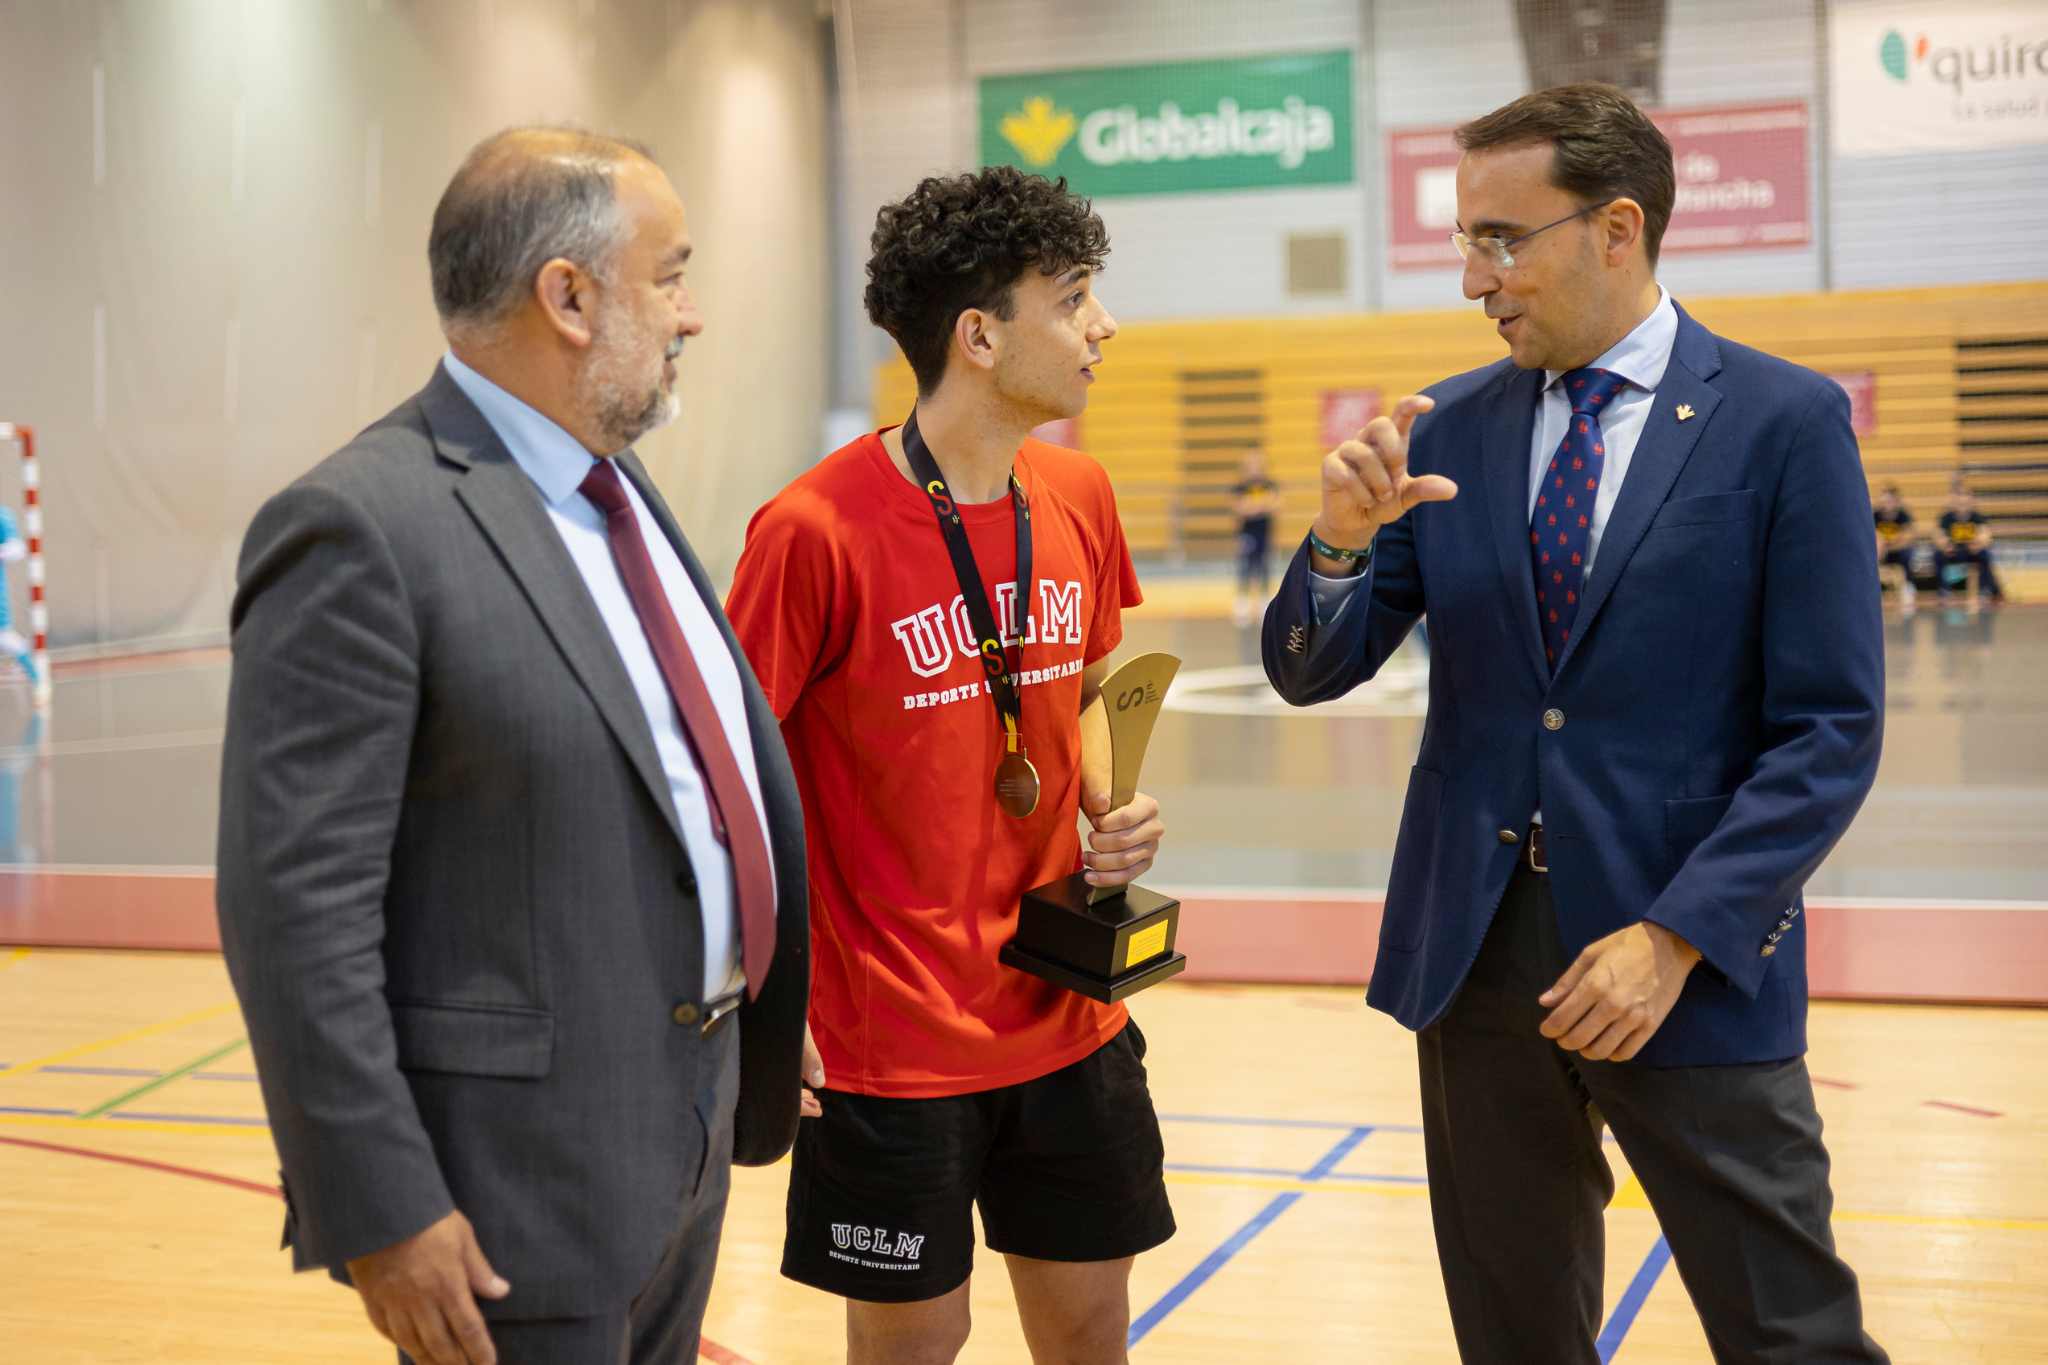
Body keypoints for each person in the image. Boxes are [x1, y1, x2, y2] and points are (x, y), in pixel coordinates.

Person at [1261, 85, 1888, 1363]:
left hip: (1685, 957)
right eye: (1460, 242)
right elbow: (1307, 675)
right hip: (1476, 956)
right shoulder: (1448, 426)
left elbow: (1828, 729)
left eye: (1500, 239)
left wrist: (1670, 939)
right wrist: (1334, 547)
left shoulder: (1780, 422)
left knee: (1789, 1335)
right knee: (1512, 1333)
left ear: (1615, 229)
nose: (1471, 279)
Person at [216, 128, 814, 1365]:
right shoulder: (360, 527)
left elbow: (670, 781)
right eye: (672, 275)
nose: (691, 315)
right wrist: (381, 1203)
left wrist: (747, 973)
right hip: (509, 1193)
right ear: (570, 298)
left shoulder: (620, 489)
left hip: (682, 1128)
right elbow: (295, 912)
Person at [724, 166, 1172, 1365]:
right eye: (1073, 297)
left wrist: (1108, 805)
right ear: (977, 336)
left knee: (1088, 1337)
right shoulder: (809, 532)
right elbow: (725, 785)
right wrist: (765, 994)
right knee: (912, 1349)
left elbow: (1081, 689)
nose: (1103, 325)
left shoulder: (1076, 492)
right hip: (886, 1041)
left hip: (1067, 1014)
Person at [1231, 449, 1281, 625]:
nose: (1254, 468)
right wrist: (1262, 505)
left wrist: (1253, 506)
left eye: (1257, 464)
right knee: (1245, 568)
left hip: (1265, 534)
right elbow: (1240, 509)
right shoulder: (1241, 487)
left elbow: (1275, 506)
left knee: (1264, 568)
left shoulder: (1270, 485)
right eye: (1250, 464)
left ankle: (1264, 604)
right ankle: (1242, 605)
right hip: (1247, 534)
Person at [1938, 477, 2005, 603]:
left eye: (1965, 496)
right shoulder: (1946, 518)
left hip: (1972, 551)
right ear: (1954, 500)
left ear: (1971, 499)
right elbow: (1939, 535)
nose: (1962, 499)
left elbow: (1986, 534)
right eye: (1959, 496)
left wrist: (1978, 543)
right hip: (1954, 552)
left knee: (1985, 554)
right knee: (1937, 555)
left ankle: (1985, 590)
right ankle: (1944, 590)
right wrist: (1945, 545)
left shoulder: (1978, 517)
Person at [1873, 482, 1916, 608]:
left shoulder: (1904, 516)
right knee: (1872, 554)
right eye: (1884, 500)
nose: (1886, 504)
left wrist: (1889, 545)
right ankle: (1874, 588)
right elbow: (1873, 537)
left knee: (1908, 554)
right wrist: (1881, 545)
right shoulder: (1875, 515)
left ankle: (1908, 587)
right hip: (1881, 551)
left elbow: (1907, 538)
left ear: (1896, 501)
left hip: (1896, 550)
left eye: (1889, 501)